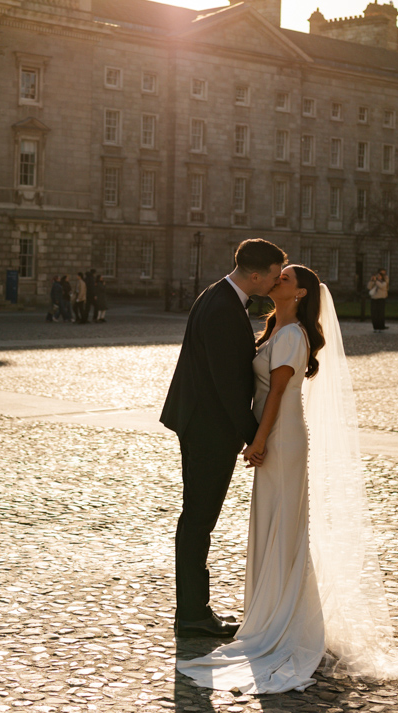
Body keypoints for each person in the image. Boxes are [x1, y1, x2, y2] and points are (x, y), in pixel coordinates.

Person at [176, 262, 398, 693]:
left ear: (300, 294)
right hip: (274, 437)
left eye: (285, 279)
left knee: (283, 524)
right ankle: (272, 609)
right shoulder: (273, 331)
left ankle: (283, 618)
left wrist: (257, 441)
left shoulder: (293, 336)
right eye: (276, 276)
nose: (275, 280)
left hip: (281, 439)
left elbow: (278, 396)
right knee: (273, 523)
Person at [162, 238, 286, 640]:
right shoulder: (221, 308)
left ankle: (193, 611)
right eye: (272, 275)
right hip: (207, 430)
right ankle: (193, 614)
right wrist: (256, 438)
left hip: (202, 424)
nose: (275, 282)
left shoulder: (219, 296)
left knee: (197, 518)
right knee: (199, 519)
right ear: (255, 275)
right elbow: (227, 384)